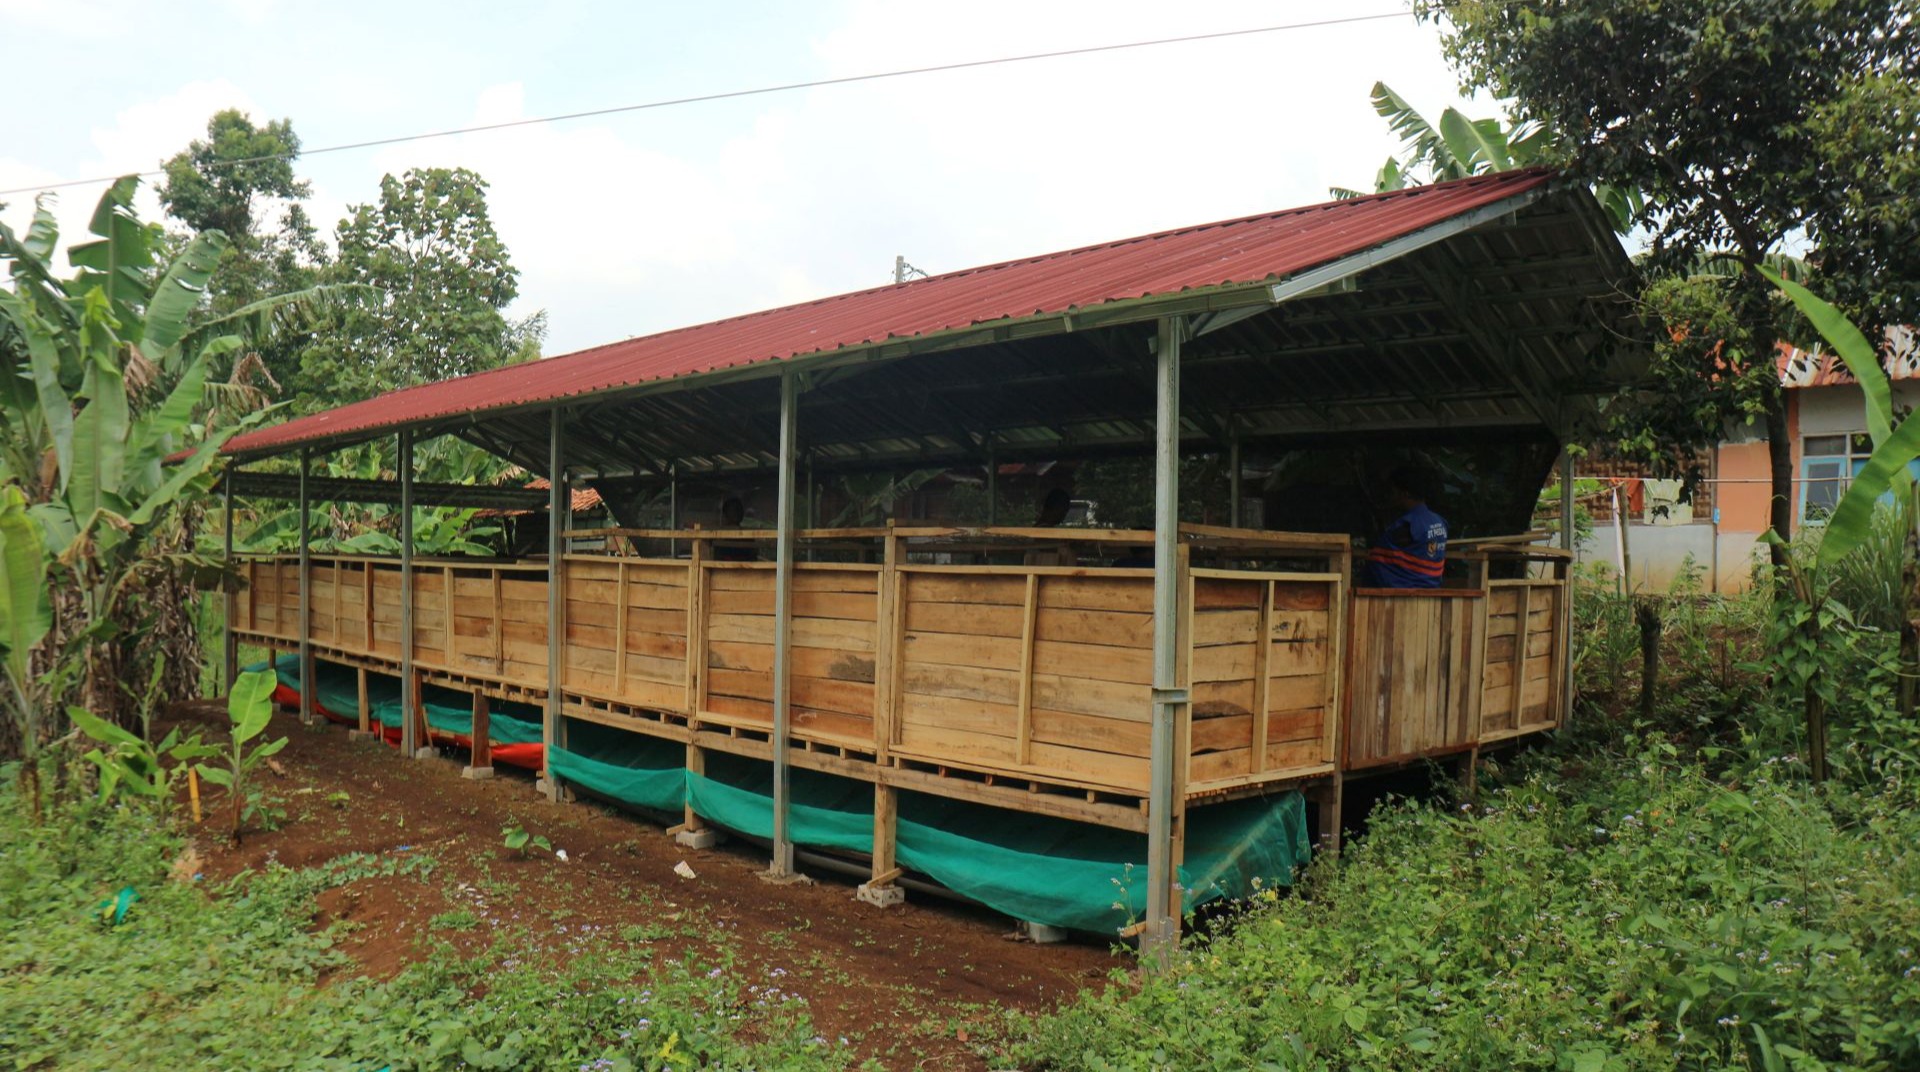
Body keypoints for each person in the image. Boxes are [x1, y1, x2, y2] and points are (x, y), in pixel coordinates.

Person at [1364, 466, 1447, 588]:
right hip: (1431, 591)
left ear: (1405, 493)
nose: (1390, 496)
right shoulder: (1440, 521)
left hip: (1404, 592)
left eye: (1392, 491)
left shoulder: (1407, 526)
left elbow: (1379, 561)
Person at [712, 496, 758, 561]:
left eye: (738, 510)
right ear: (725, 514)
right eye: (733, 510)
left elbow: (753, 558)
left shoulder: (748, 537)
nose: (737, 512)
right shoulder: (720, 536)